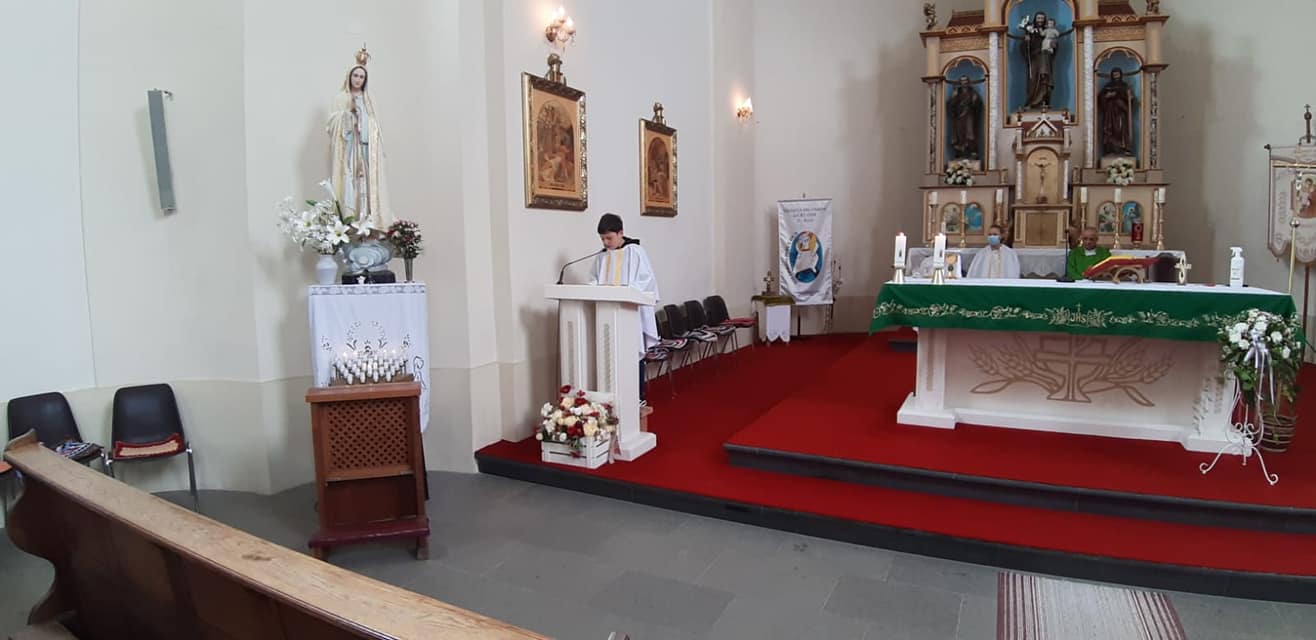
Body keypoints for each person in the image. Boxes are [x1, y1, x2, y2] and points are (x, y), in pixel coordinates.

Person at [590, 214, 660, 403]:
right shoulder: (602, 256)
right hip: (607, 316)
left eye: (609, 238)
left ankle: (637, 398)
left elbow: (646, 280)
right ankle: (612, 398)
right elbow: (594, 279)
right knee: (610, 356)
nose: (606, 242)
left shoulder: (635, 252)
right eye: (602, 239)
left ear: (621, 233)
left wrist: (626, 291)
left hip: (630, 314)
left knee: (633, 354)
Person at [327, 48, 393, 231]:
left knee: (368, 185)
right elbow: (331, 124)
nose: (358, 79)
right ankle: (350, 219)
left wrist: (364, 120)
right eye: (355, 75)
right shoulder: (341, 98)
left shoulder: (369, 100)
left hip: (366, 148)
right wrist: (348, 116)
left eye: (362, 77)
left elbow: (376, 125)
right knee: (350, 183)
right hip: (349, 149)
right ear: (349, 77)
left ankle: (369, 221)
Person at [1098, 68, 1133, 156]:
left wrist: (1129, 97)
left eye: (1117, 74)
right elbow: (1100, 97)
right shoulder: (1108, 86)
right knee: (1109, 129)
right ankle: (1110, 150)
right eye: (1114, 75)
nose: (1116, 77)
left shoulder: (1125, 86)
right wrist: (1107, 96)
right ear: (1112, 76)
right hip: (1110, 113)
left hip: (1120, 112)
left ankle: (1123, 148)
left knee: (1121, 129)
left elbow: (1129, 100)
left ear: (1121, 75)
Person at [948, 76, 984, 160]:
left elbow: (978, 104)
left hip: (969, 116)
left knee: (970, 133)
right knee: (959, 134)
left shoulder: (973, 93)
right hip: (959, 117)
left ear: (968, 82)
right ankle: (960, 152)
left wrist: (975, 101)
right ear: (960, 82)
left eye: (965, 81)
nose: (964, 83)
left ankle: (972, 152)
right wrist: (954, 98)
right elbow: (951, 106)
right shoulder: (957, 92)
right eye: (962, 81)